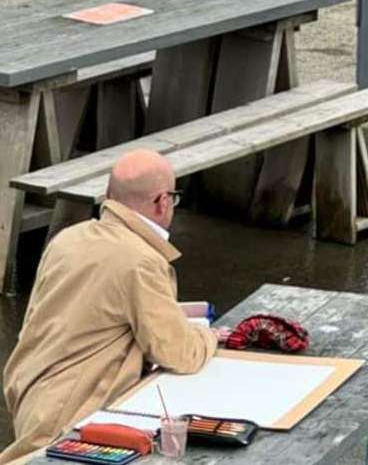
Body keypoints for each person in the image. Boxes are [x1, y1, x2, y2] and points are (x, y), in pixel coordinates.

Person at [1, 150, 224, 462]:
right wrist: (209, 337)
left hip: (29, 390)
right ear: (163, 201)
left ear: (109, 195)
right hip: (69, 408)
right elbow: (178, 352)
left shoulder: (67, 239)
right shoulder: (142, 260)